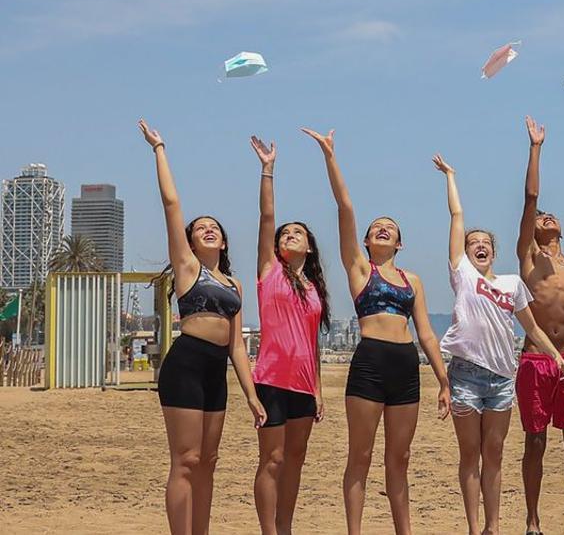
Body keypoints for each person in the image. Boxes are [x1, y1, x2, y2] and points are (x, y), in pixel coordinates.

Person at [305, 127, 450, 535]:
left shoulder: (413, 280)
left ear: (400, 244)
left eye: (390, 228)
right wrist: (330, 156)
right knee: (361, 455)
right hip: (369, 363)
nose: (382, 229)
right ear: (367, 241)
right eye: (376, 227)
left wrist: (443, 380)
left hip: (405, 366)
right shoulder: (359, 269)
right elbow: (345, 206)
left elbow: (427, 334)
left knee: (399, 459)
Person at [432, 153, 564, 535]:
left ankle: (494, 526)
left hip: (501, 380)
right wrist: (451, 176)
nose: (478, 246)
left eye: (484, 243)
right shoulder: (460, 274)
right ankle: (475, 527)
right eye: (472, 243)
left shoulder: (511, 284)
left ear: (493, 251)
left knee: (493, 456)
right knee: (470, 456)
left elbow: (533, 329)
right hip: (465, 377)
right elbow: (456, 217)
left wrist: (556, 356)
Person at [140, 119, 266, 535]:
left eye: (214, 227)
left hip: (217, 371)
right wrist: (160, 148)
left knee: (209, 462)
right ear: (190, 243)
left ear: (224, 242)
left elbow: (236, 349)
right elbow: (172, 205)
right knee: (186, 460)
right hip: (187, 364)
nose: (207, 229)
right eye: (200, 229)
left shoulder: (235, 284)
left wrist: (251, 395)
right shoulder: (188, 268)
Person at [513, 117, 564, 535]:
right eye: (539, 219)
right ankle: (532, 520)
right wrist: (536, 147)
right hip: (534, 360)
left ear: (561, 228)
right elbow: (531, 197)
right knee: (535, 440)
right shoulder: (529, 261)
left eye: (550, 217)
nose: (545, 218)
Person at [249, 135, 333, 535]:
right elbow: (267, 218)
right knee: (273, 459)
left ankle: (285, 527)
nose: (288, 236)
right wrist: (268, 169)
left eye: (296, 233)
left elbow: (312, 342)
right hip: (270, 380)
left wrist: (318, 389)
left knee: (296, 460)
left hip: (303, 384)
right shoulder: (270, 271)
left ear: (310, 248)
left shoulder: (315, 289)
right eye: (285, 235)